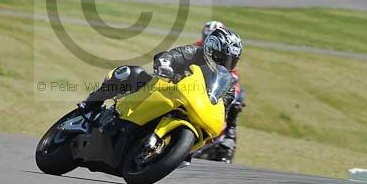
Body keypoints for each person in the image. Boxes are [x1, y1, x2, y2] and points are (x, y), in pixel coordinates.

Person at [79, 25, 243, 124]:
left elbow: (225, 103)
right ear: (212, 50)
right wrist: (165, 65)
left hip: (190, 106)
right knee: (131, 73)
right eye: (224, 58)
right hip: (164, 89)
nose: (226, 64)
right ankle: (90, 106)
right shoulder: (194, 53)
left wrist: (222, 109)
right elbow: (170, 56)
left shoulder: (227, 81)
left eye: (231, 61)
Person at [194, 20, 246, 163]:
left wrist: (233, 95)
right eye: (207, 37)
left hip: (214, 89)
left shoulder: (227, 53)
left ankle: (227, 141)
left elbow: (233, 77)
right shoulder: (196, 47)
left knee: (235, 106)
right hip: (193, 85)